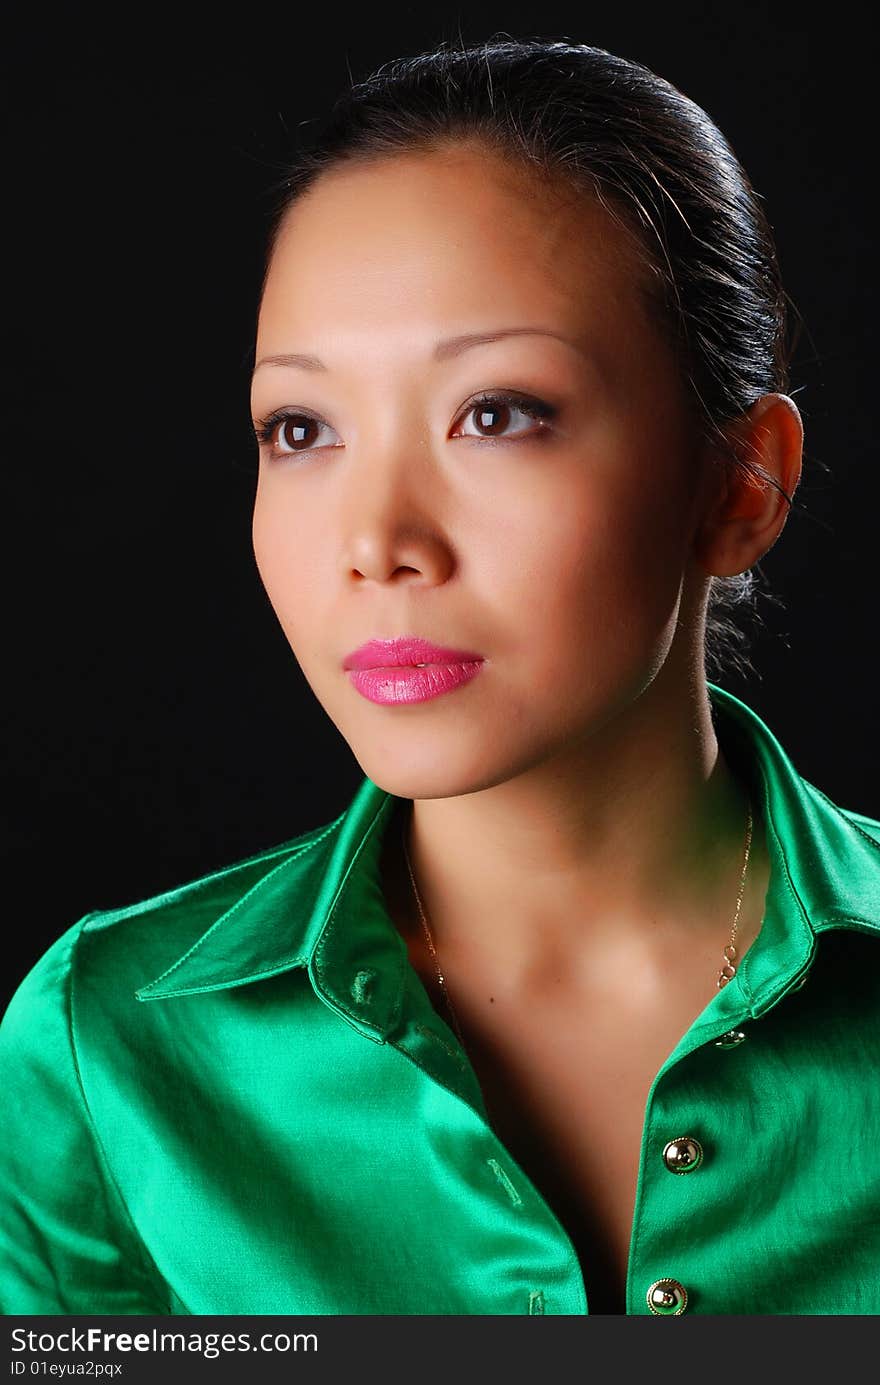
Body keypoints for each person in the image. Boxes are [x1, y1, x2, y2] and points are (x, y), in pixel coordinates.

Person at [1, 35, 878, 1319]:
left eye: (498, 412)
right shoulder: (108, 1052)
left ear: (742, 483)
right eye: (299, 429)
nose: (375, 543)